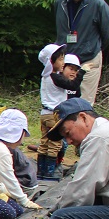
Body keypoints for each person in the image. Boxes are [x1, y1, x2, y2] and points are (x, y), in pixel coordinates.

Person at [52, 0, 109, 103]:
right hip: (64, 62)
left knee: (84, 104)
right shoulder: (59, 2)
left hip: (88, 60)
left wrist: (90, 47)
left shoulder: (98, 5)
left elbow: (107, 34)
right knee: (60, 102)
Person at [37, 44, 83, 180]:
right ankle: (49, 173)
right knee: (54, 144)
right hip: (54, 114)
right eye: (61, 59)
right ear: (52, 61)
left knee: (44, 142)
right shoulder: (55, 77)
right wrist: (82, 73)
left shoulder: (46, 77)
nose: (63, 63)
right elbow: (72, 85)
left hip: (44, 113)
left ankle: (41, 172)